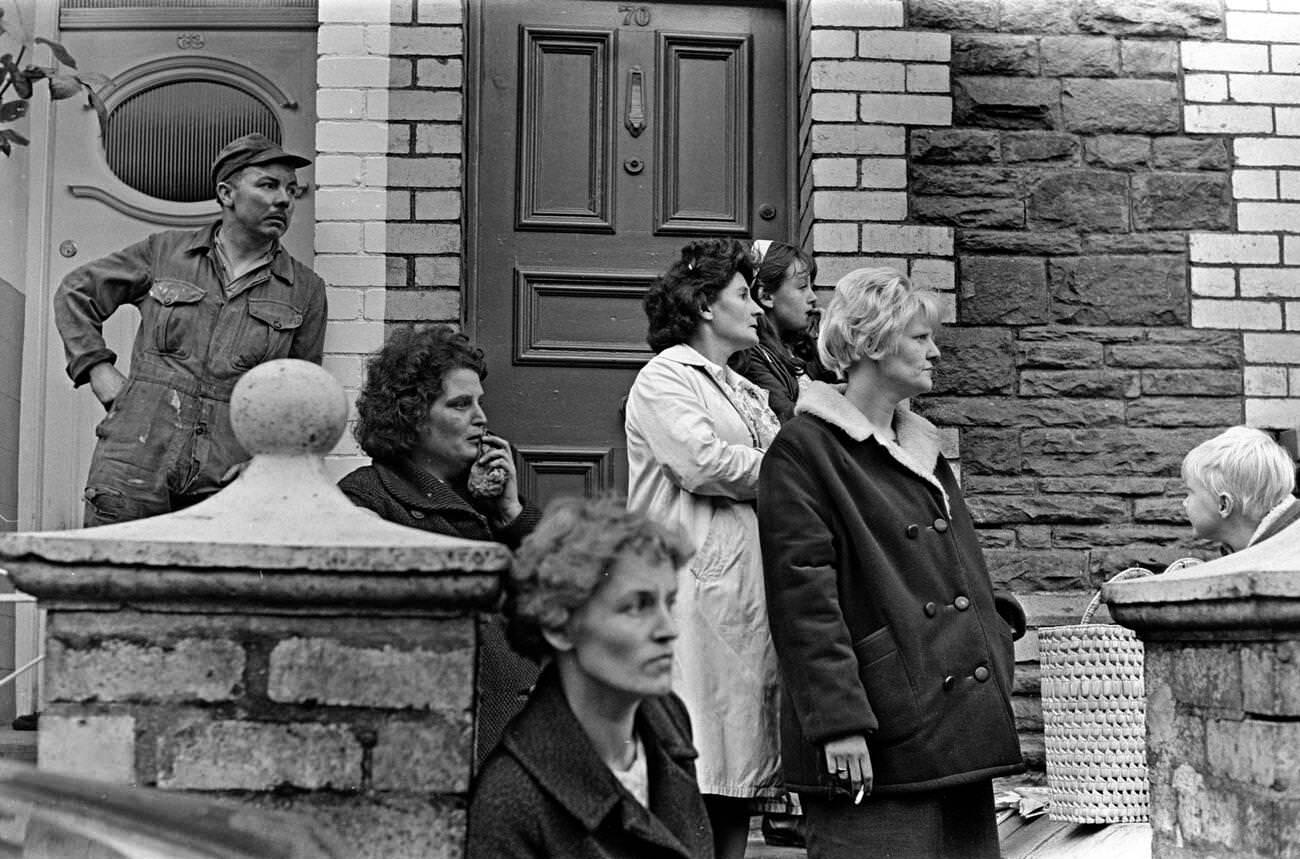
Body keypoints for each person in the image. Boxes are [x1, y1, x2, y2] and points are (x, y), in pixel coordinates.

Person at [757, 267, 1027, 859]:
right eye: (919, 337)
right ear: (873, 341)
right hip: (875, 733)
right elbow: (803, 600)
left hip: (951, 723)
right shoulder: (805, 450)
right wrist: (837, 723)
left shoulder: (921, 445)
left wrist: (994, 627)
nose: (935, 351)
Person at [54, 132, 328, 526]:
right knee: (112, 578)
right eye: (268, 185)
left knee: (212, 587)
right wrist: (98, 372)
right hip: (135, 457)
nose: (284, 199)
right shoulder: (165, 252)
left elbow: (304, 393)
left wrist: (271, 462)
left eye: (291, 190)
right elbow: (75, 292)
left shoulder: (305, 289)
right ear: (227, 193)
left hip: (229, 476)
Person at [624, 238, 784, 859]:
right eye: (743, 296)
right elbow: (702, 462)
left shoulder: (740, 388)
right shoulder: (666, 377)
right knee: (696, 765)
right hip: (692, 589)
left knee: (734, 775)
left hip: (744, 593)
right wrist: (784, 468)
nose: (756, 308)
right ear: (704, 307)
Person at [337, 324, 541, 764]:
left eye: (479, 404)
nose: (482, 419)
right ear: (411, 415)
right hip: (453, 747)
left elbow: (568, 586)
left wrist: (510, 513)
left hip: (528, 738)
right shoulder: (368, 498)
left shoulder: (486, 498)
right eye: (461, 405)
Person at [467, 495, 713, 859]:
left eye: (669, 602)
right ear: (560, 626)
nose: (668, 629)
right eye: (636, 607)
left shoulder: (668, 720)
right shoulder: (511, 800)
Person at [730, 239, 825, 423]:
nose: (813, 298)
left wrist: (828, 345)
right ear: (766, 296)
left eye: (812, 287)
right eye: (802, 287)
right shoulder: (750, 354)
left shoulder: (800, 347)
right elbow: (787, 419)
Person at [1181, 425, 1299, 553]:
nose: (1185, 502)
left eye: (1190, 492)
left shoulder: (1283, 559)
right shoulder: (1279, 547)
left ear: (1223, 504)